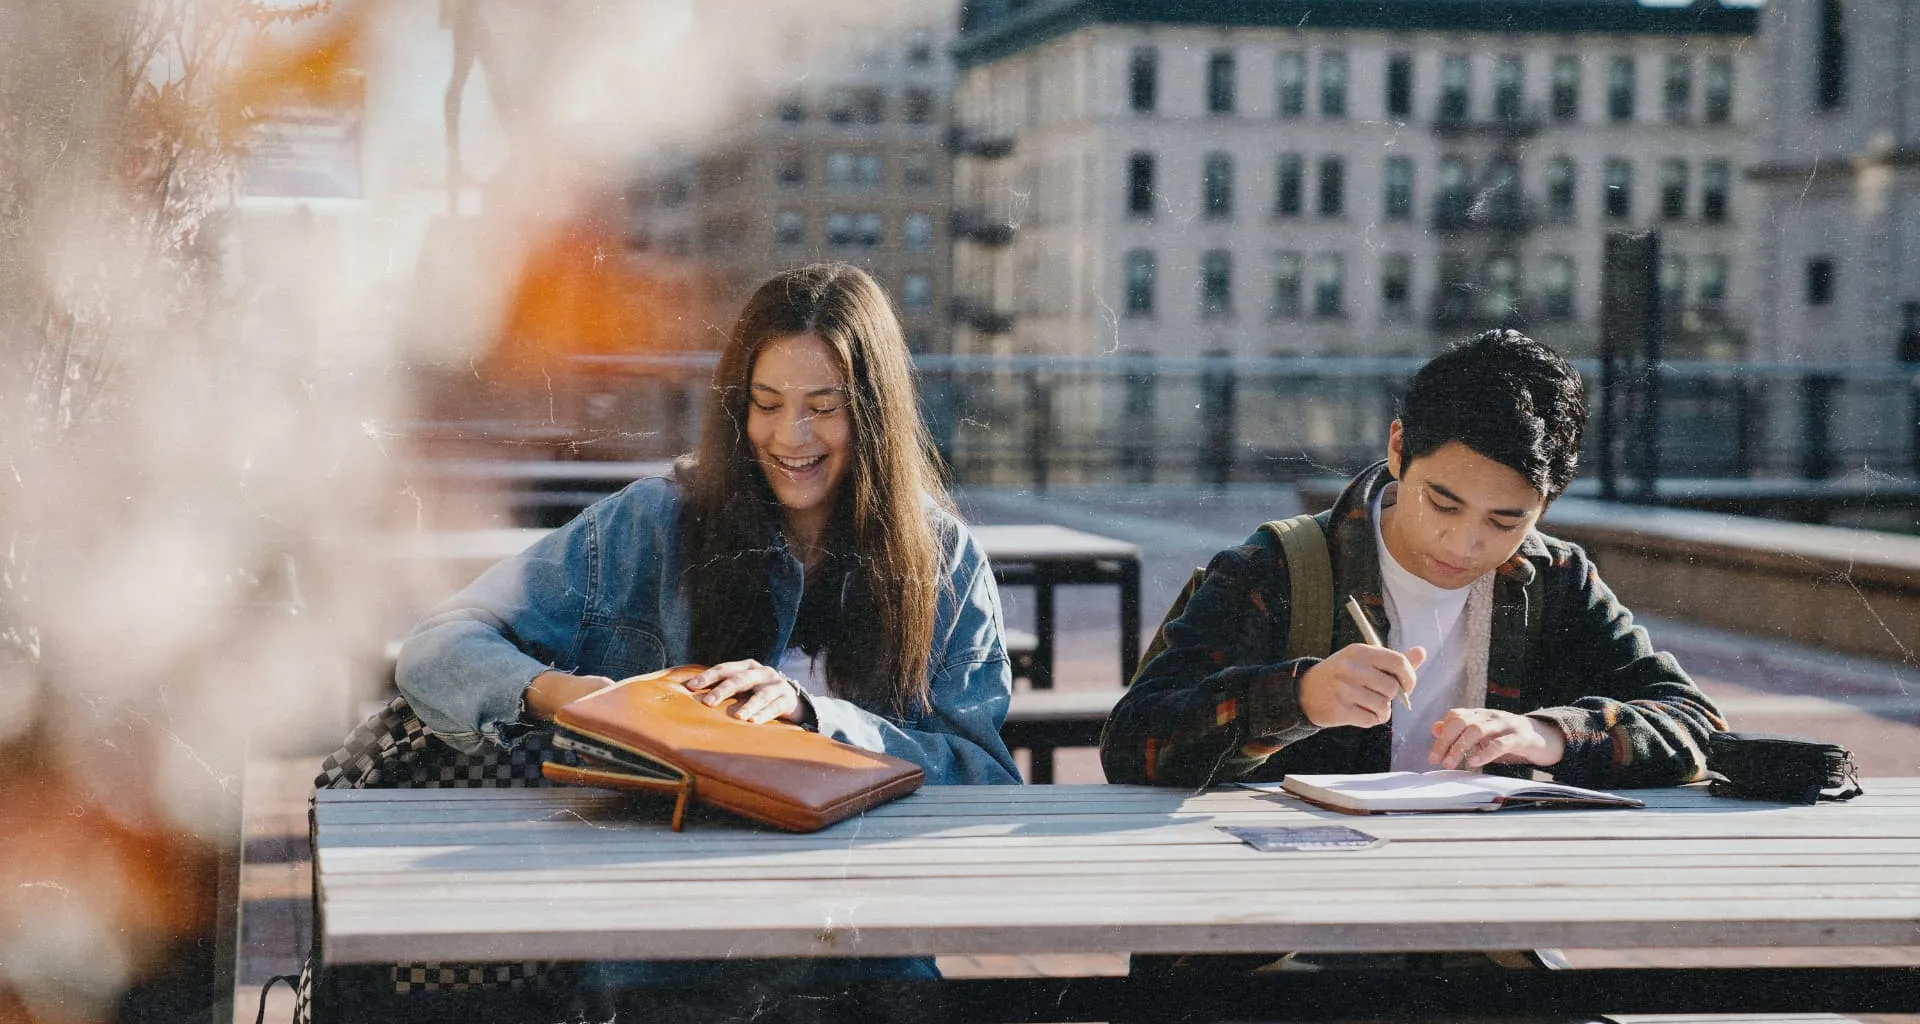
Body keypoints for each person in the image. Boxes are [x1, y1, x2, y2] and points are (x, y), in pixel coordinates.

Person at [395, 263, 1019, 1011]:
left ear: (875, 414)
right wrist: (575, 699)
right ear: (736, 409)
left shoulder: (943, 560)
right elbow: (437, 647)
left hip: (861, 955)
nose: (792, 436)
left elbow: (983, 782)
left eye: (825, 408)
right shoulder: (647, 525)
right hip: (663, 951)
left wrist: (815, 720)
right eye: (766, 405)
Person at [1101, 330, 1723, 989]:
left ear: (1547, 503)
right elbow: (1133, 743)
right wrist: (1301, 696)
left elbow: (1695, 723)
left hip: (1470, 944)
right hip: (1269, 949)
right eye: (1443, 502)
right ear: (1398, 450)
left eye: (1506, 520)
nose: (1464, 541)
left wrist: (1547, 734)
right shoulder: (1281, 567)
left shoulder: (1556, 579)